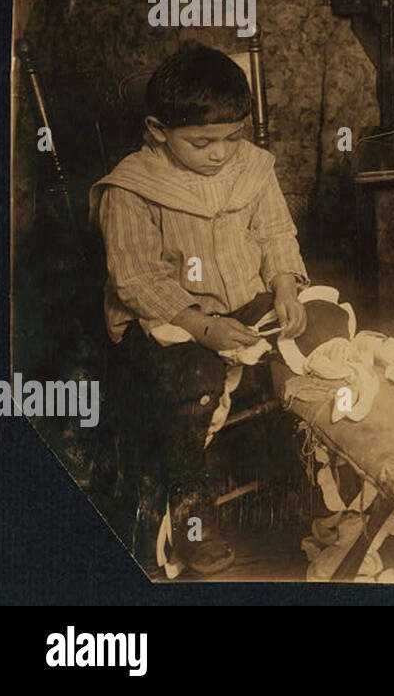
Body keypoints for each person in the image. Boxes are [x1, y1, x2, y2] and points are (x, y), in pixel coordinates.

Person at [91, 45, 309, 574]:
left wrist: (284, 287)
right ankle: (193, 517)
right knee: (190, 391)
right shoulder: (132, 187)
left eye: (233, 137)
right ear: (158, 129)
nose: (220, 153)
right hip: (173, 318)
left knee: (320, 354)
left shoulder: (251, 169)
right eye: (202, 141)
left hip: (250, 303)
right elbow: (137, 277)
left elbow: (275, 233)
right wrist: (202, 325)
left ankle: (317, 490)